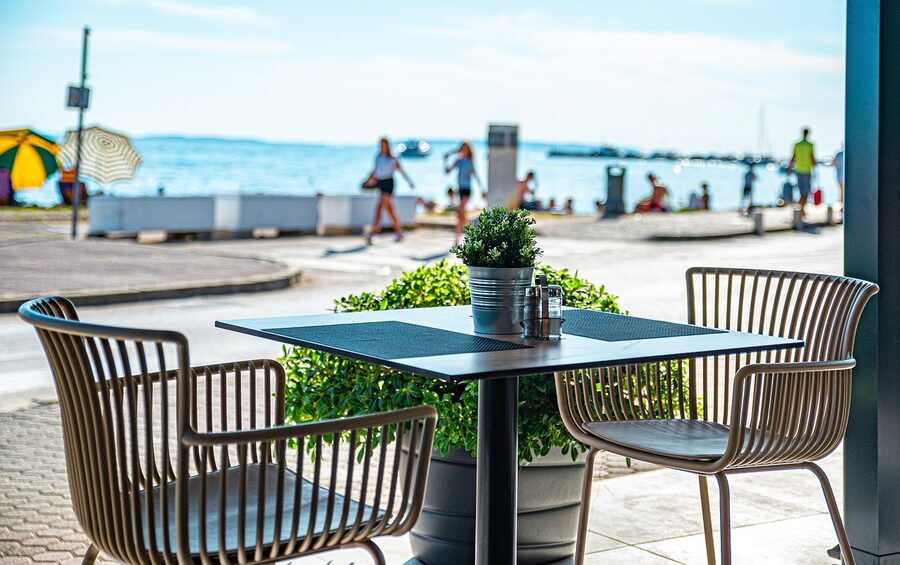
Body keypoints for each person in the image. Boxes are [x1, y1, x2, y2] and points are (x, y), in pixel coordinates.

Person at [364, 137, 414, 244]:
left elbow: (401, 170)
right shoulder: (378, 157)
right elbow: (375, 171)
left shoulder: (393, 158)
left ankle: (373, 232)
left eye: (384, 144)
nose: (383, 147)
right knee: (390, 210)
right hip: (380, 183)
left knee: (379, 207)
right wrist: (368, 181)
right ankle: (399, 232)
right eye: (381, 145)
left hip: (388, 183)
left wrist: (409, 182)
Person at [444, 142, 482, 244]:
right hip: (460, 190)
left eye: (465, 148)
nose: (464, 150)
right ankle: (463, 234)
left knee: (460, 210)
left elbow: (475, 175)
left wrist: (482, 189)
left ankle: (468, 231)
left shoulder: (470, 162)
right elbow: (447, 171)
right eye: (462, 148)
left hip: (467, 190)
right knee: (460, 215)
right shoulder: (458, 161)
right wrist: (446, 160)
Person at [788, 127, 816, 217]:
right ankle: (801, 209)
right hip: (807, 170)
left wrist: (789, 168)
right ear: (808, 134)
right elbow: (812, 158)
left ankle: (801, 209)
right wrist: (814, 167)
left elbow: (793, 157)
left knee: (801, 191)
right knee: (806, 191)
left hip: (798, 170)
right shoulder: (810, 144)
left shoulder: (797, 144)